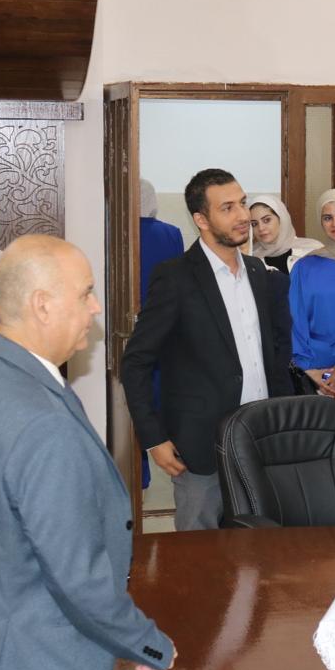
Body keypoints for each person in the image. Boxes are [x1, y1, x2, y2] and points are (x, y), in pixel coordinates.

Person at [0, 235, 175, 670]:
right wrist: (148, 645)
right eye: (85, 293)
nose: (95, 308)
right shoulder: (41, 421)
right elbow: (78, 577)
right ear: (42, 305)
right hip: (29, 666)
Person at [121, 169, 292, 530]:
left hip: (262, 437)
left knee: (263, 546)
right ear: (201, 220)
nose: (242, 215)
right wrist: (153, 438)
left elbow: (275, 353)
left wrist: (283, 420)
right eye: (227, 208)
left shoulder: (258, 273)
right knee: (199, 553)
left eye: (242, 203)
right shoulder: (175, 277)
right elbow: (136, 361)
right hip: (200, 446)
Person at [289, 189, 335, 405]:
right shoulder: (304, 266)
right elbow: (295, 320)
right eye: (327, 218)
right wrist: (309, 369)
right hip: (316, 376)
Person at [136, 180, 185, 490]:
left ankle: (139, 476)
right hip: (165, 326)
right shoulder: (172, 233)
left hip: (130, 327)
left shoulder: (117, 230)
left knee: (134, 404)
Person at [249, 193, 322, 275]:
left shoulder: (313, 251)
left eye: (267, 220)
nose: (261, 228)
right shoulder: (251, 259)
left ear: (281, 219)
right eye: (254, 224)